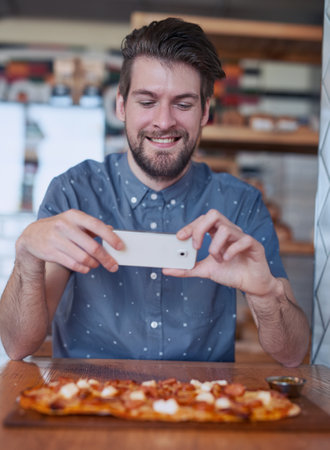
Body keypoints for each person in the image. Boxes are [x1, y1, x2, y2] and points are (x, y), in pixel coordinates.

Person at [0, 18, 309, 367]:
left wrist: (267, 295)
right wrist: (26, 254)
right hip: (85, 407)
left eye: (183, 103)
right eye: (147, 101)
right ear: (121, 106)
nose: (163, 121)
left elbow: (294, 353)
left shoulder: (240, 204)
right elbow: (18, 345)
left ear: (205, 111)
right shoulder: (73, 192)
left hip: (203, 408)